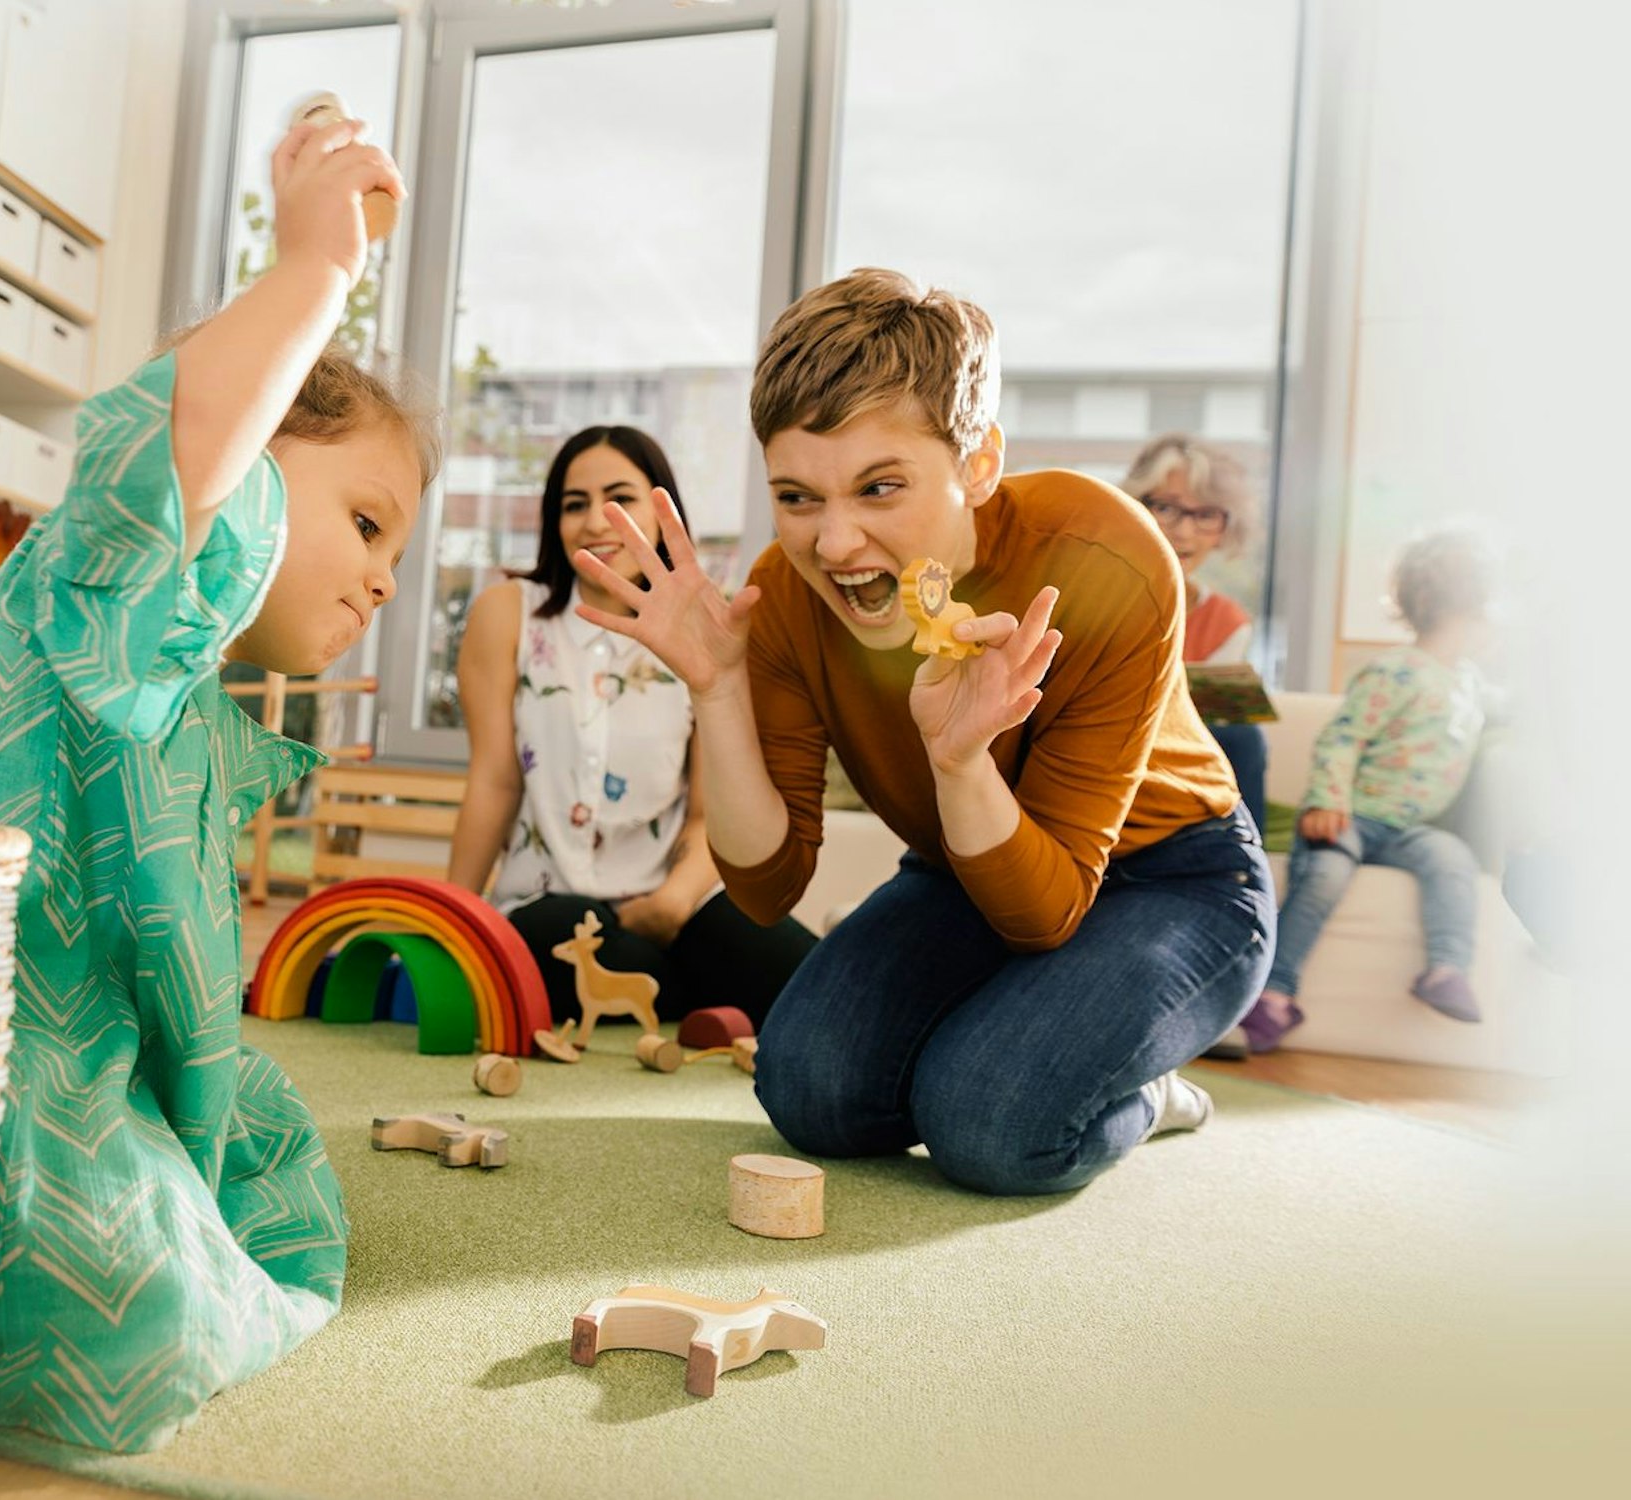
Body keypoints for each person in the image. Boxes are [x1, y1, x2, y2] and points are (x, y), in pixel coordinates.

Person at [0, 113, 428, 1451]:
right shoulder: (114, 575)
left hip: (29, 1058)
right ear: (264, 456)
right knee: (147, 1309)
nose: (383, 578)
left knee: (255, 1164)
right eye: (367, 522)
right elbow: (184, 454)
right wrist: (316, 269)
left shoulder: (169, 679)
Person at [572, 268, 1274, 1197]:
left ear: (978, 465)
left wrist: (960, 758)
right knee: (810, 1091)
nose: (833, 543)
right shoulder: (784, 598)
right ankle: (1040, 1046)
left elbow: (1050, 908)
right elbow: (764, 884)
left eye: (880, 487)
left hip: (1174, 880)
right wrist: (719, 688)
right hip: (960, 871)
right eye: (798, 497)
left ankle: (1140, 1088)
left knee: (990, 1124)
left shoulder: (1109, 558)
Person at [447, 426, 816, 1029]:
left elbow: (708, 814)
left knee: (808, 974)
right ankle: (701, 1004)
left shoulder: (712, 629)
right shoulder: (508, 613)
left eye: (619, 499)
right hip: (548, 906)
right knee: (564, 936)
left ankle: (688, 996)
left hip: (670, 907)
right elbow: (494, 781)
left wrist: (673, 901)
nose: (595, 520)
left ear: (659, 508)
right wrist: (455, 921)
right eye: (574, 504)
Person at [1236, 528, 1493, 1053]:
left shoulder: (1471, 685)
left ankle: (1447, 968)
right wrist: (1329, 800)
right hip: (1350, 816)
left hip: (1410, 830)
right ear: (1475, 611)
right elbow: (1342, 738)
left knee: (1453, 859)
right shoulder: (1395, 672)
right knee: (1324, 876)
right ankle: (1273, 993)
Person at [1122, 435, 1269, 830]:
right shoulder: (1097, 592)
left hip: (1173, 764)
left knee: (1245, 735)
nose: (1183, 531)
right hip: (1103, 752)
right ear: (1137, 507)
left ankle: (1245, 863)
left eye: (1204, 514)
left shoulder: (1228, 621)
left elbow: (1218, 736)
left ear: (1224, 529)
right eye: (1166, 507)